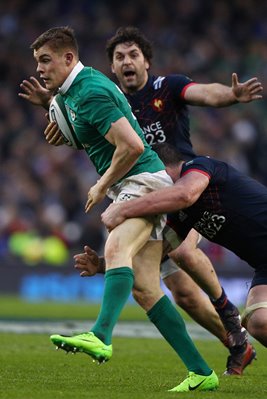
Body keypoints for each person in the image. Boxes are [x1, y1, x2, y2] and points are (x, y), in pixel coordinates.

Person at [19, 26, 261, 375]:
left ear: (146, 61)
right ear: (113, 68)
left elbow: (205, 92)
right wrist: (54, 104)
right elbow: (81, 126)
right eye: (119, 57)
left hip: (183, 189)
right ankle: (226, 351)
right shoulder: (102, 94)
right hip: (147, 193)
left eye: (133, 54)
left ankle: (231, 323)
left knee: (179, 251)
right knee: (171, 292)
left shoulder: (167, 87)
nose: (127, 61)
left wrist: (232, 95)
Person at [101, 142, 267, 348]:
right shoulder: (181, 217)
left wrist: (124, 209)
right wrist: (106, 264)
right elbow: (155, 256)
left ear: (161, 169)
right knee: (259, 323)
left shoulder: (201, 167)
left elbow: (184, 194)